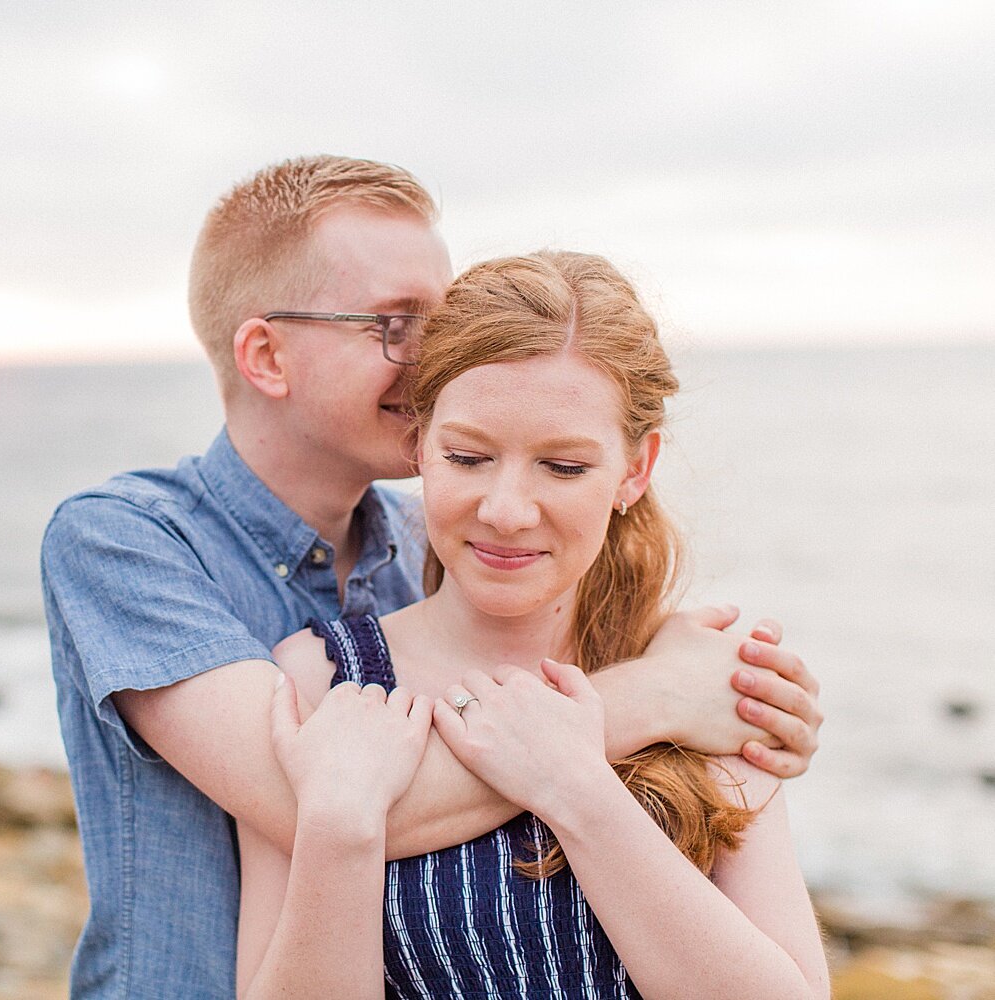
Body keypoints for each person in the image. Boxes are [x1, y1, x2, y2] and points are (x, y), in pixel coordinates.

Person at [41, 156, 824, 999]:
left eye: (442, 319)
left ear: (634, 470)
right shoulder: (126, 542)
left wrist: (742, 707)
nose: (435, 358)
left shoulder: (443, 544)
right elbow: (313, 806)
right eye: (395, 325)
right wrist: (657, 699)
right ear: (266, 354)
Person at [238, 251, 830, 999]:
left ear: (635, 469)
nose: (508, 511)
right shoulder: (321, 682)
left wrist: (575, 788)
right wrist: (340, 829)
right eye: (468, 456)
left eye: (564, 467)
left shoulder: (702, 676)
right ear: (418, 446)